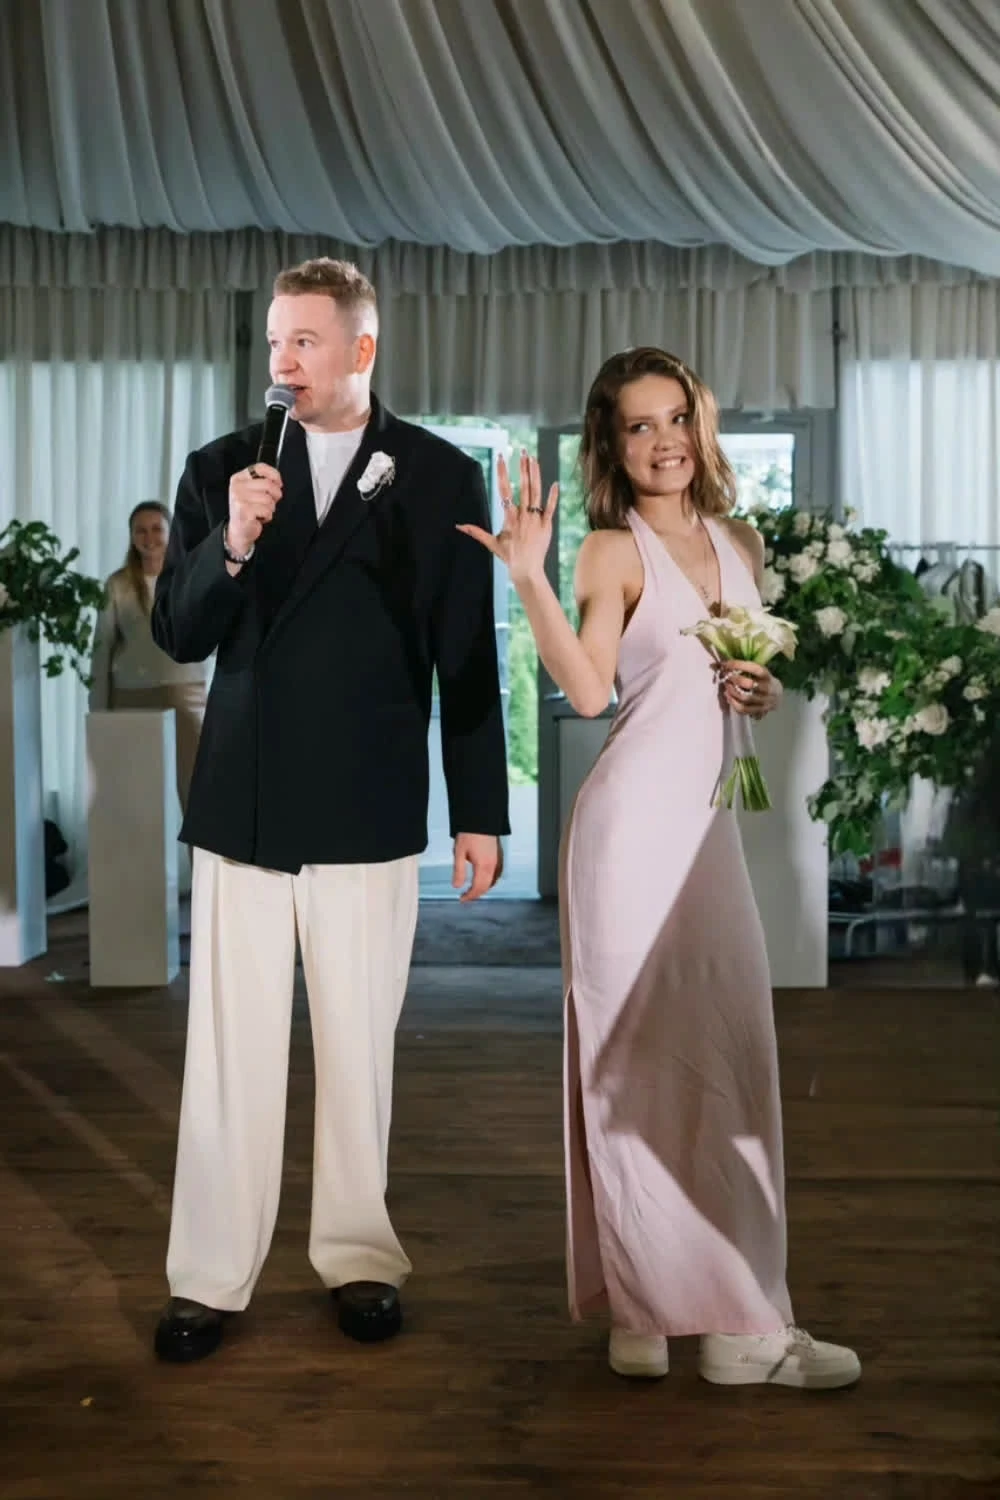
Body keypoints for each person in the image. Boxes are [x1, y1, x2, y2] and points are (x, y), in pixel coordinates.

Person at [461, 347, 861, 1390]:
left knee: (729, 1059)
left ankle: (714, 1320)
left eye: (674, 417)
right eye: (637, 426)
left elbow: (738, 679)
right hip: (629, 835)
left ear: (700, 424)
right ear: (612, 444)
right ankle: (670, 1315)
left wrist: (759, 690)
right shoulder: (609, 551)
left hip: (707, 830)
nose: (663, 441)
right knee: (632, 1068)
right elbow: (594, 693)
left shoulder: (741, 542)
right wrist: (527, 579)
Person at [150, 257, 509, 1363]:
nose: (283, 362)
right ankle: (209, 1275)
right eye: (274, 341)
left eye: (304, 341)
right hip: (247, 801)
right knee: (231, 1054)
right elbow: (178, 633)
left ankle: (360, 1256)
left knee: (357, 1047)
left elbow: (466, 654)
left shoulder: (441, 475)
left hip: (368, 797)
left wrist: (480, 811)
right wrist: (233, 543)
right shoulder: (221, 470)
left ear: (362, 348)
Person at [89, 501, 207, 813]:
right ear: (131, 536)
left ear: (171, 532)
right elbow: (102, 647)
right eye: (140, 530)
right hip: (130, 694)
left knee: (195, 788)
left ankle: (197, 848)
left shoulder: (190, 577)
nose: (149, 537)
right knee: (136, 793)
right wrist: (98, 709)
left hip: (184, 694)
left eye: (157, 529)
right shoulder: (118, 585)